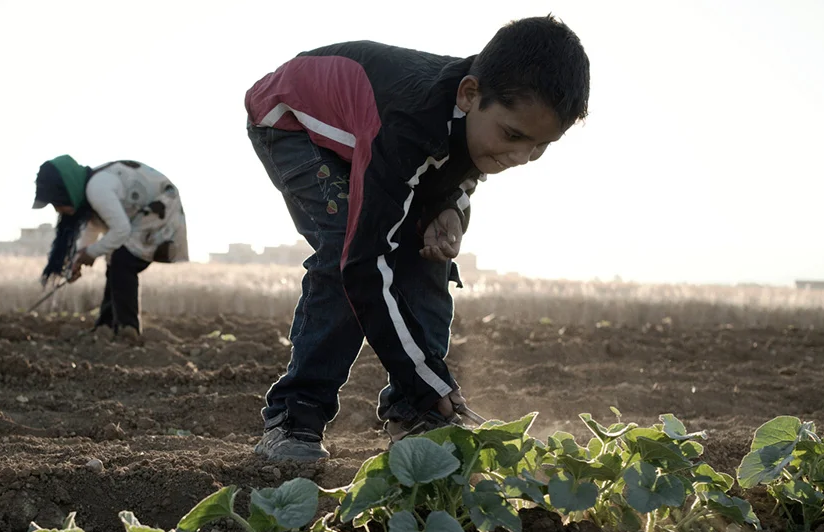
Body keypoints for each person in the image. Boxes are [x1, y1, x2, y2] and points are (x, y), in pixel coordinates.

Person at [244, 15, 591, 461]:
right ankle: (295, 416)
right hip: (291, 121)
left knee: (430, 251)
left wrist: (450, 211)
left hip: (373, 140)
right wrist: (426, 375)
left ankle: (416, 413)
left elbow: (458, 172)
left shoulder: (477, 118)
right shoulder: (409, 122)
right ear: (470, 95)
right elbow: (364, 265)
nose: (522, 157)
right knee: (344, 248)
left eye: (540, 146)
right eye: (514, 136)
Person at [32, 156, 188, 341]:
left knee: (123, 261)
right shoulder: (91, 190)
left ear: (66, 191)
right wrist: (79, 259)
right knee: (115, 260)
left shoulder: (97, 189)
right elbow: (93, 229)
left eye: (57, 202)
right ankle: (107, 325)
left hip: (160, 209)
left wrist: (90, 253)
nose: (58, 210)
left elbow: (121, 230)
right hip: (141, 217)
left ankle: (127, 328)